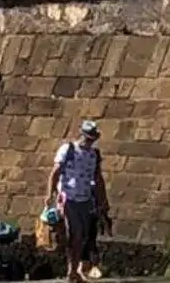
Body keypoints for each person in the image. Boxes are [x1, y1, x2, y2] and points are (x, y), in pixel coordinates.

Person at [49, 119, 110, 283]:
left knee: (82, 236)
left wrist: (103, 201)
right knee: (75, 234)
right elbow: (55, 172)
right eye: (88, 138)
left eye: (93, 138)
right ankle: (72, 271)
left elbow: (98, 179)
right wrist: (50, 194)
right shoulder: (68, 149)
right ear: (82, 135)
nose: (90, 141)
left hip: (86, 199)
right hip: (68, 198)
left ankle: (75, 270)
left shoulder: (94, 155)